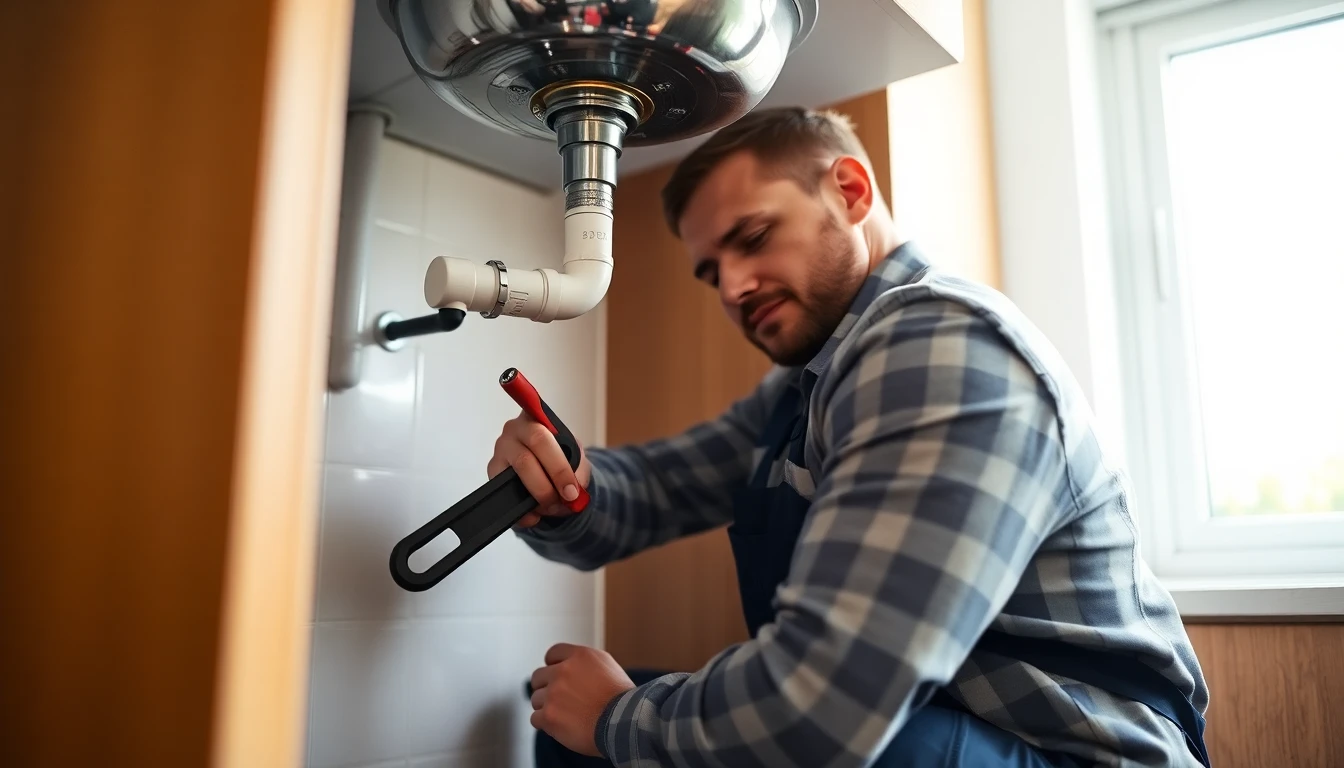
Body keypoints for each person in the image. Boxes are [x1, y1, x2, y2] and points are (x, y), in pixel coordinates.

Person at [489, 106, 1212, 767]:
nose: (733, 288)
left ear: (851, 191)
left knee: (613, 736)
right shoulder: (810, 384)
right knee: (565, 730)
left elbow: (826, 706)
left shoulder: (939, 346)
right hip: (936, 725)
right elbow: (659, 488)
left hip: (1072, 755)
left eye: (754, 238)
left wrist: (617, 719)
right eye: (713, 274)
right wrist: (566, 485)